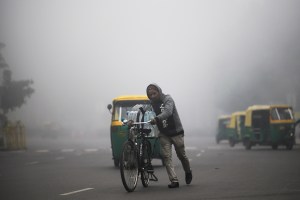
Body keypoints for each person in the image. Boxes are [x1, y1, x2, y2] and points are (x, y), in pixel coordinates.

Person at [146, 83, 192, 188]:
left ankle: (188, 171)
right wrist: (132, 118)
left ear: (159, 91)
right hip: (163, 134)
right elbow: (143, 110)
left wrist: (157, 119)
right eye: (150, 94)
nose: (152, 95)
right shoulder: (151, 103)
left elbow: (168, 112)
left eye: (154, 92)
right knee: (166, 157)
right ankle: (174, 180)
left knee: (181, 155)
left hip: (176, 132)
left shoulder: (168, 99)